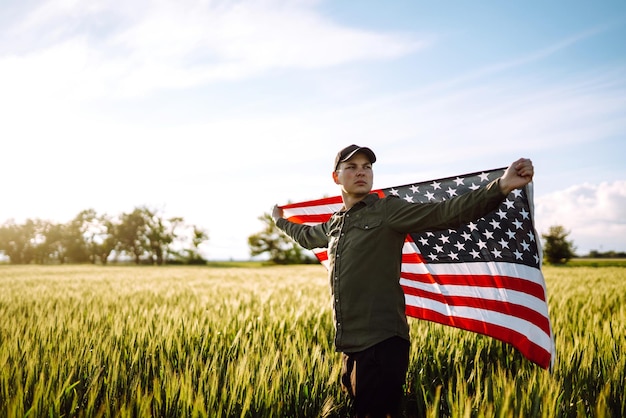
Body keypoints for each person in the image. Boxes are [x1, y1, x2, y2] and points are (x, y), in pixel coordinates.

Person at [271, 144, 534, 418]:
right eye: (351, 167)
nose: (361, 172)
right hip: (350, 345)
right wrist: (280, 221)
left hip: (382, 343)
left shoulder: (387, 210)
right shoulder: (337, 223)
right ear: (336, 177)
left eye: (367, 167)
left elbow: (444, 212)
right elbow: (307, 237)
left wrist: (501, 186)